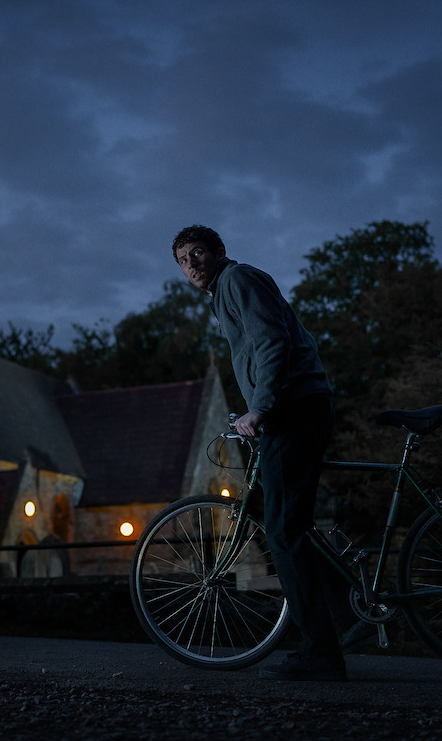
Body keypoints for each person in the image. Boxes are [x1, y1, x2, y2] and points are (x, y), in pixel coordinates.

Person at [172, 224, 350, 681]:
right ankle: (352, 620)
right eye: (183, 261)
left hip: (293, 408)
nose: (191, 265)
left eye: (197, 253)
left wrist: (261, 408)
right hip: (294, 407)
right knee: (293, 522)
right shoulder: (225, 292)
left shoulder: (237, 280)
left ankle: (320, 653)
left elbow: (272, 341)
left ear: (218, 251)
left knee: (284, 529)